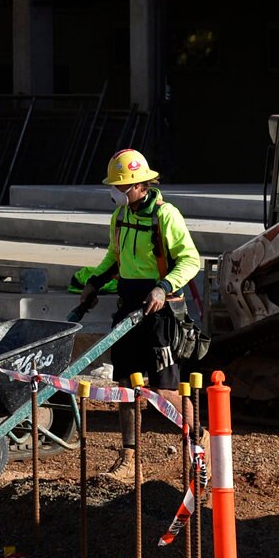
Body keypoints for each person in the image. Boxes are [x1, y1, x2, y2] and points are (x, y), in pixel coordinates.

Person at [70, 148, 201, 478]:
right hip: (129, 309)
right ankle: (130, 459)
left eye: (119, 187)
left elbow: (190, 260)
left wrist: (163, 286)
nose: (114, 193)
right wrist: (93, 283)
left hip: (161, 313)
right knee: (127, 386)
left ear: (138, 185)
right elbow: (114, 258)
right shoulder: (120, 216)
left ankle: (201, 449)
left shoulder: (166, 216)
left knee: (166, 389)